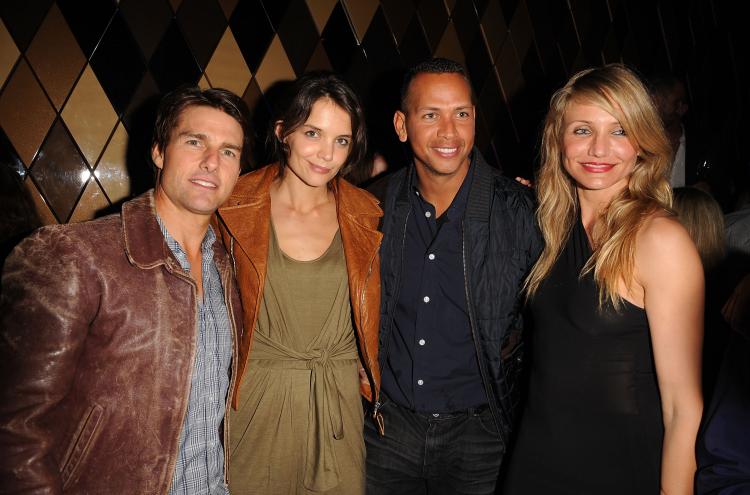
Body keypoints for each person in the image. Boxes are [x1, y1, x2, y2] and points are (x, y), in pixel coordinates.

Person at [0, 86, 250, 493]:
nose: (211, 163)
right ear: (158, 152)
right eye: (194, 142)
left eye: (229, 151)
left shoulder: (228, 266)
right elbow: (15, 429)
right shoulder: (76, 255)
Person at [502, 64, 704, 494]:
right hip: (536, 463)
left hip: (620, 470)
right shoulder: (550, 224)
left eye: (618, 131)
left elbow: (682, 407)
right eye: (581, 130)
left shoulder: (659, 239)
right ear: (558, 140)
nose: (598, 149)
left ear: (642, 144)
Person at [364, 58, 542, 495]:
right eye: (431, 115)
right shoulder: (371, 208)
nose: (449, 132)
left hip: (479, 436)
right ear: (402, 126)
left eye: (461, 113)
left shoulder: (522, 212)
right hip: (388, 430)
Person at [215, 71, 381, 494]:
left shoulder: (368, 214)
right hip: (257, 400)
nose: (327, 153)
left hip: (337, 401)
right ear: (282, 132)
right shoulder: (232, 205)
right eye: (312, 133)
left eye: (341, 140)